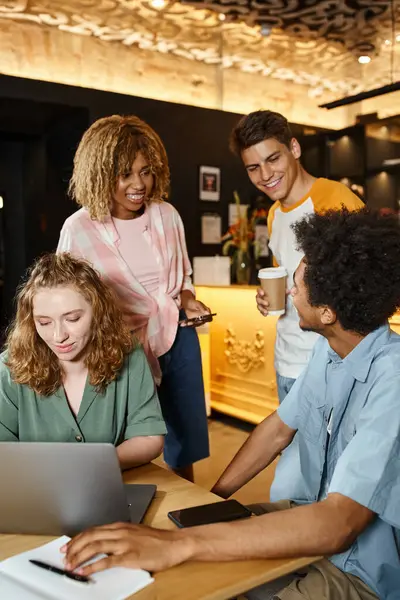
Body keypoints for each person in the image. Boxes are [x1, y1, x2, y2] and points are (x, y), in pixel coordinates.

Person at [63, 208, 400, 600]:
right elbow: (276, 429)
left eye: (298, 285)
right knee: (171, 561)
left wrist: (181, 544)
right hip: (307, 520)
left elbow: (339, 523)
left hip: (359, 570)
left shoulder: (392, 379)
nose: (290, 291)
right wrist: (211, 504)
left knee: (187, 562)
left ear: (327, 313)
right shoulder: (331, 350)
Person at [57, 115, 211, 482]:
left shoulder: (167, 215)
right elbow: (62, 297)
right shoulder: (78, 229)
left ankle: (182, 517)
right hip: (120, 348)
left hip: (178, 336)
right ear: (100, 172)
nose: (138, 185)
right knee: (131, 442)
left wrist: (189, 300)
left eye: (146, 172)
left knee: (183, 441)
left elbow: (182, 278)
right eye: (125, 174)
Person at [229, 110, 364, 403]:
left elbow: (372, 283)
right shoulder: (275, 215)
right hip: (287, 363)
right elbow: (290, 283)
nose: (265, 176)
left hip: (332, 367)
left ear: (294, 148)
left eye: (273, 159)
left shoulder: (335, 199)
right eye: (253, 167)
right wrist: (267, 298)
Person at [0, 253, 167, 470]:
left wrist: (94, 466)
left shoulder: (130, 354)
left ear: (98, 311)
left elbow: (149, 437)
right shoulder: (9, 367)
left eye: (72, 319)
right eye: (44, 322)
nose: (58, 336)